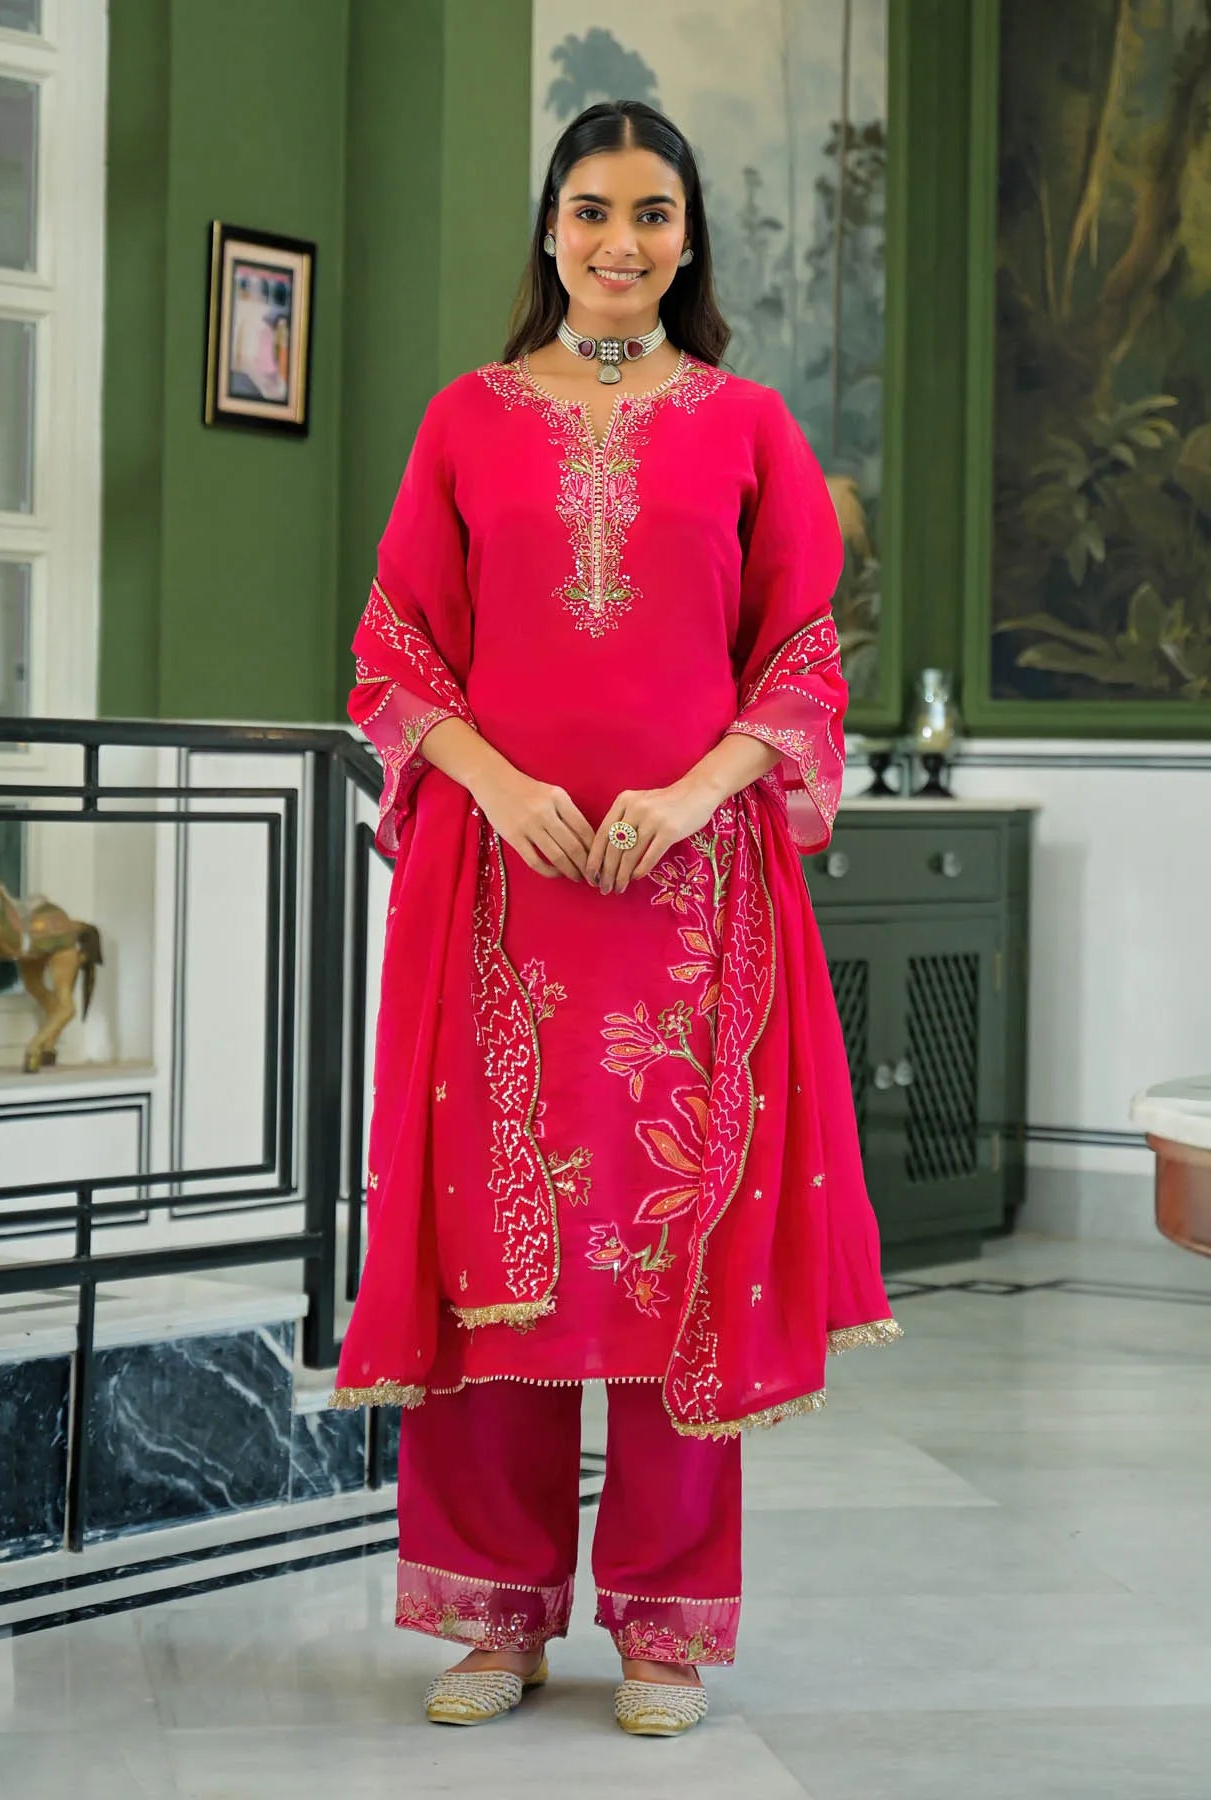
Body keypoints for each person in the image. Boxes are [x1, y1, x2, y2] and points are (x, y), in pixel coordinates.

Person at [329, 99, 902, 1737]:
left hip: (691, 908)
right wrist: (499, 789)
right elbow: (393, 658)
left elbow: (800, 661)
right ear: (550, 230)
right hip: (499, 899)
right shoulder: (463, 422)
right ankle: (496, 1614)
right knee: (488, 1252)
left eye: (654, 213)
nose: (621, 242)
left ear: (689, 236)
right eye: (592, 210)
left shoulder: (749, 428)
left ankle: (662, 1624)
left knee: (676, 1257)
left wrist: (692, 792)